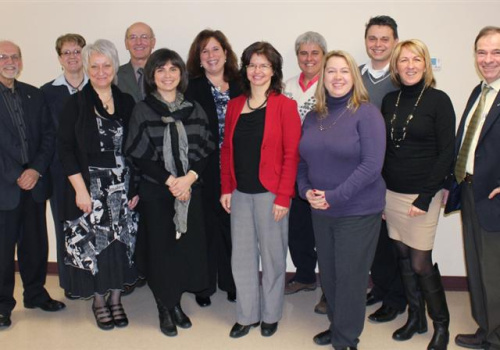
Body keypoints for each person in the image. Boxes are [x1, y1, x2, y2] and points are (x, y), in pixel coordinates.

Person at [298, 50, 386, 350]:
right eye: (331, 71)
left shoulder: (367, 113)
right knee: (331, 275)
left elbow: (372, 165)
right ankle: (337, 326)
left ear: (354, 77)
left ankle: (346, 340)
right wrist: (305, 190)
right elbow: (302, 161)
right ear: (322, 77)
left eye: (344, 71)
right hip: (321, 210)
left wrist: (333, 197)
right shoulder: (313, 115)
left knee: (350, 278)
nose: (337, 77)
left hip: (357, 210)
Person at [125, 48, 214, 337]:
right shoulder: (142, 109)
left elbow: (206, 150)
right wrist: (171, 182)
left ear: (181, 74)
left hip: (190, 191)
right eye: (160, 70)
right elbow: (139, 155)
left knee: (183, 250)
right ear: (152, 76)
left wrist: (187, 179)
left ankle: (175, 303)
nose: (167, 75)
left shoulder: (194, 108)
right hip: (157, 193)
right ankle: (164, 306)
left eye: (173, 69)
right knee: (161, 253)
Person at [220, 41, 301, 339]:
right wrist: (226, 187)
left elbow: (292, 154)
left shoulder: (285, 106)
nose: (257, 71)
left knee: (272, 257)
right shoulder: (234, 105)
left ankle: (270, 314)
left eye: (263, 65)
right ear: (245, 69)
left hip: (271, 195)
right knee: (240, 258)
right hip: (240, 194)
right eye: (252, 65)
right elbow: (226, 149)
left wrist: (284, 196)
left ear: (274, 70)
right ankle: (246, 315)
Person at [58, 39, 139, 331]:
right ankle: (98, 301)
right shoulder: (76, 103)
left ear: (114, 67)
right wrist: (80, 190)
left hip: (123, 185)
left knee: (120, 243)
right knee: (94, 246)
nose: (101, 71)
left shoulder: (127, 101)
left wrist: (137, 188)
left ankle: (116, 298)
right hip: (89, 188)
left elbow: (138, 148)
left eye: (107, 65)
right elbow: (65, 149)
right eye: (95, 66)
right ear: (87, 68)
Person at [382, 39, 455, 350]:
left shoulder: (439, 100)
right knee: (401, 255)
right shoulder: (389, 100)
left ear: (425, 65)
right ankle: (415, 318)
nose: (409, 65)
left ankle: (441, 325)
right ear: (395, 66)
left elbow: (446, 152)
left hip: (423, 193)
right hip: (391, 193)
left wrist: (426, 198)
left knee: (420, 261)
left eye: (416, 60)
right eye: (403, 60)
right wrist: (379, 195)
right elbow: (383, 149)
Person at [0, 40, 65, 330]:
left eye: (14, 56)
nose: (9, 61)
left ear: (21, 61)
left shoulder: (33, 94)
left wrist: (36, 169)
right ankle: (2, 305)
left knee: (36, 243)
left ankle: (35, 294)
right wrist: (17, 173)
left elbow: (49, 135)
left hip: (36, 183)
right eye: (2, 57)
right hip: (5, 185)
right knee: (3, 250)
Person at [446, 26, 500, 350]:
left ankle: (497, 337)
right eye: (482, 52)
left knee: (494, 272)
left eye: (496, 52)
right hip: (469, 191)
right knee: (477, 267)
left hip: (493, 197)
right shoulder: (479, 92)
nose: (488, 59)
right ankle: (486, 328)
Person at [185, 29, 241, 308]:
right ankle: (203, 285)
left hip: (237, 170)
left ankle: (232, 283)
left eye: (215, 49)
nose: (211, 55)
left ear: (226, 52)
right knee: (205, 229)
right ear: (198, 57)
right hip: (203, 170)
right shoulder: (191, 87)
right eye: (204, 51)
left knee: (234, 230)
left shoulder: (241, 84)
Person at [360, 15, 407, 324]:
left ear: (394, 42)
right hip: (360, 172)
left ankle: (396, 299)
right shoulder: (355, 76)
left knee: (394, 240)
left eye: (384, 39)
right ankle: (379, 286)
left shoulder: (403, 78)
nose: (378, 44)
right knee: (371, 238)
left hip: (393, 172)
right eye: (372, 38)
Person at [41, 33, 88, 300]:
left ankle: (93, 279)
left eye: (77, 51)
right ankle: (70, 283)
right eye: (66, 52)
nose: (72, 57)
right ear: (59, 58)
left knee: (91, 228)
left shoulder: (97, 85)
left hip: (93, 174)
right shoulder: (47, 92)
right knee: (65, 227)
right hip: (60, 173)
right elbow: (47, 135)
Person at [283, 31, 327, 314]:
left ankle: (329, 289)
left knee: (324, 229)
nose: (308, 58)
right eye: (303, 53)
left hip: (322, 167)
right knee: (297, 227)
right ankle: (304, 276)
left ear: (323, 56)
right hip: (292, 166)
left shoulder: (331, 83)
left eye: (314, 53)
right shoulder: (286, 86)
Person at [117, 22, 156, 102]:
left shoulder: (166, 75)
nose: (138, 42)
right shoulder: (115, 75)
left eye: (144, 37)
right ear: (126, 43)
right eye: (132, 37)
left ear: (153, 42)